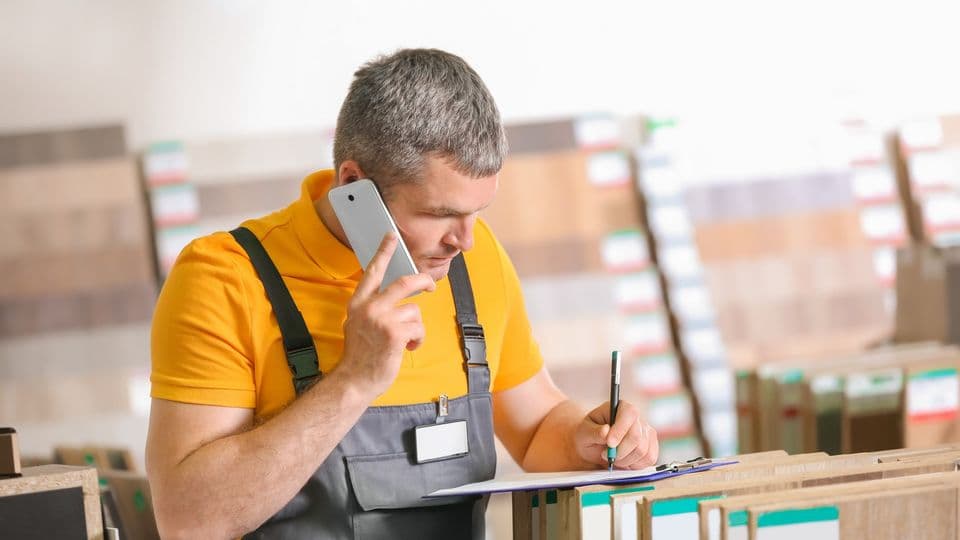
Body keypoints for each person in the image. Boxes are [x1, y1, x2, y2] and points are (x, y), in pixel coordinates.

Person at [145, 48, 659, 539]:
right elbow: (189, 522)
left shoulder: (474, 260)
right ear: (354, 184)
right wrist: (354, 379)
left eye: (476, 212)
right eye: (440, 214)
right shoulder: (224, 279)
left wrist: (589, 440)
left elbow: (537, 427)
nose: (465, 240)